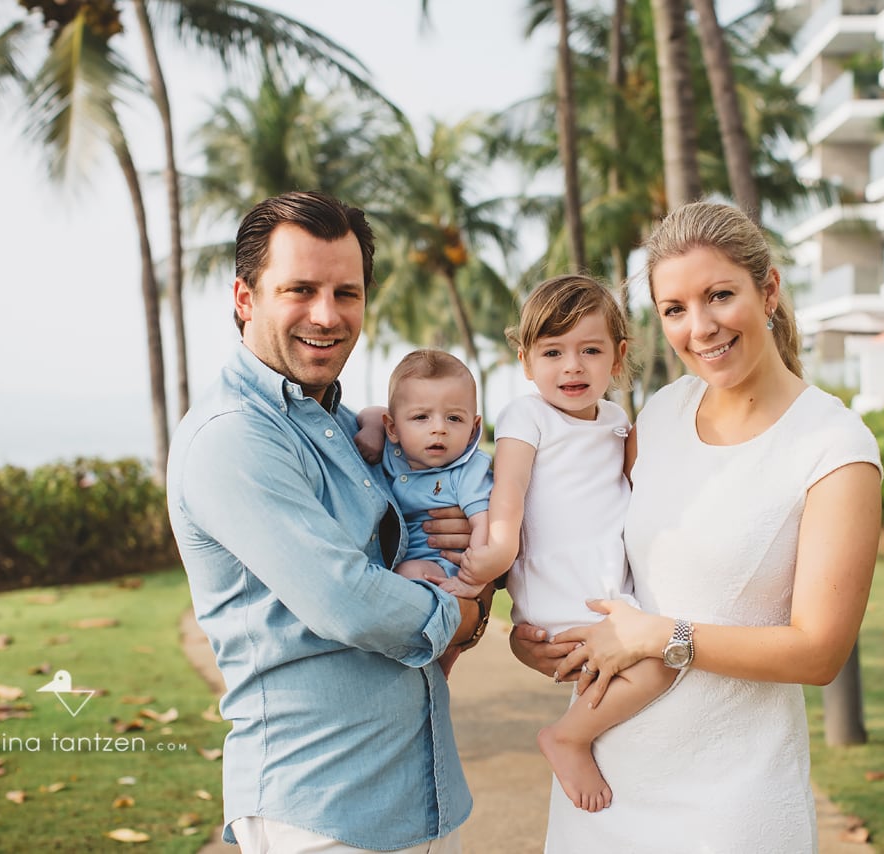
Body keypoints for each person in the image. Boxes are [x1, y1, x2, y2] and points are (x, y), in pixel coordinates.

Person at [510, 203, 883, 853]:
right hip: (601, 787)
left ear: (767, 291)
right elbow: (583, 538)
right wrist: (534, 638)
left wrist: (663, 636)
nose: (701, 327)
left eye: (719, 296)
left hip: (733, 805)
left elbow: (819, 653)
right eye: (675, 309)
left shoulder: (833, 446)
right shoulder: (658, 414)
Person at [166, 191, 490, 854]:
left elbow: (439, 520)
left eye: (347, 292)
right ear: (244, 297)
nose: (327, 314)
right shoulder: (234, 437)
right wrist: (469, 614)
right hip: (321, 813)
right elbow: (352, 601)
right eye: (300, 289)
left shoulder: (348, 431)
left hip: (421, 796)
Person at [444, 274, 676, 814]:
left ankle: (588, 740)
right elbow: (510, 489)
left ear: (617, 358)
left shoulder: (618, 421)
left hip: (605, 589)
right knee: (661, 660)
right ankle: (568, 736)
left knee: (652, 659)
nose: (572, 366)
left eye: (589, 350)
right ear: (526, 362)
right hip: (561, 593)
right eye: (553, 351)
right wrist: (499, 548)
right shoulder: (527, 416)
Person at [376, 348, 493, 676]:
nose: (438, 428)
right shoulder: (392, 454)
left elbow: (483, 523)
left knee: (409, 576)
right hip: (405, 559)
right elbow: (371, 414)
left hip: (442, 566)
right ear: (393, 427)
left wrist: (473, 578)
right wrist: (369, 430)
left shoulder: (467, 470)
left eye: (454, 418)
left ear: (473, 427)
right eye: (421, 417)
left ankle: (440, 658)